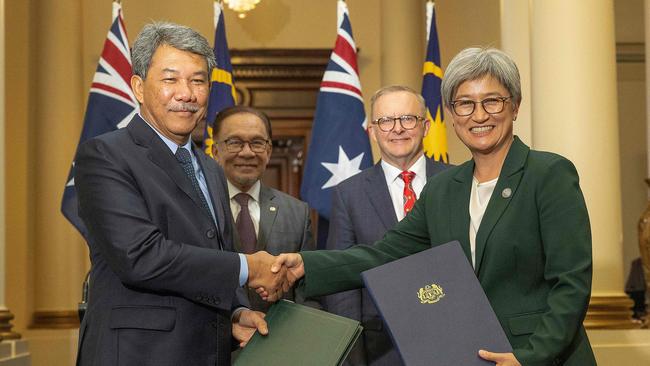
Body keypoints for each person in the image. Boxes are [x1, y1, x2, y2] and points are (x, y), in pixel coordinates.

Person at [267, 47, 596, 366]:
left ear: (515, 106)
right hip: (467, 354)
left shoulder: (548, 174)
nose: (479, 115)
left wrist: (530, 357)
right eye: (464, 104)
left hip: (538, 356)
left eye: (492, 101)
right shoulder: (442, 190)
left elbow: (571, 284)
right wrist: (305, 266)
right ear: (451, 116)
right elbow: (382, 254)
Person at [74, 22, 288, 366]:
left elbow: (210, 256)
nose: (187, 94)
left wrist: (235, 312)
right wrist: (248, 266)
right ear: (139, 88)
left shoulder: (212, 170)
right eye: (171, 79)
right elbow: (141, 257)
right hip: (136, 356)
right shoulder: (104, 156)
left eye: (198, 80)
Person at [325, 85, 447, 366]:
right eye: (385, 121)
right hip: (380, 349)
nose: (397, 129)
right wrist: (353, 357)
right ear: (372, 131)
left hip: (450, 336)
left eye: (407, 119)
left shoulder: (457, 182)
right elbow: (343, 282)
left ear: (426, 126)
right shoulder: (349, 194)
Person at [212, 105, 317, 312]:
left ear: (268, 151)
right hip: (213, 339)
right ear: (216, 151)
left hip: (279, 340)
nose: (247, 152)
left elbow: (309, 294)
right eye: (235, 142)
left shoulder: (297, 212)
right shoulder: (199, 208)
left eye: (257, 143)